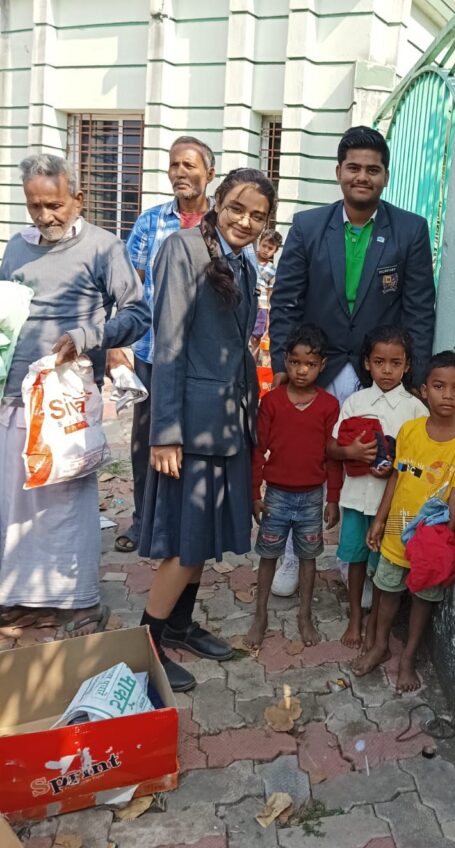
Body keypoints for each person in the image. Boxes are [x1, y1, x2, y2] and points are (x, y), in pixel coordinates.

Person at [268, 126, 436, 597]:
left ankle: (352, 558)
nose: (363, 177)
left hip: (375, 373)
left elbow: (419, 309)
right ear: (339, 171)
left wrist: (416, 377)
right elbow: (285, 300)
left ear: (385, 176)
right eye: (354, 168)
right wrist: (282, 364)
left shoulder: (409, 230)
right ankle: (291, 553)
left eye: (373, 169)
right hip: (315, 366)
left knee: (368, 462)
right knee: (302, 457)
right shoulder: (307, 227)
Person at [0, 154, 150, 636]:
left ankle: (77, 602)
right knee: (16, 502)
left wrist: (88, 336)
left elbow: (137, 313)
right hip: (15, 395)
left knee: (65, 500)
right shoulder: (16, 248)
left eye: (54, 205)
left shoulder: (105, 247)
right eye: (35, 206)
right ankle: (18, 597)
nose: (45, 216)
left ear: (78, 199)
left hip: (68, 398)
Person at [138, 168, 274, 692]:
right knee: (184, 541)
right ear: (218, 201)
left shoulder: (242, 261)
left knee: (203, 535)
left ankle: (179, 626)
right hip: (190, 426)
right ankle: (146, 647)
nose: (246, 221)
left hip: (227, 420)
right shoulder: (182, 248)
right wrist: (165, 432)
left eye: (258, 216)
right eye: (237, 208)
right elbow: (169, 342)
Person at [353, 351, 455, 692]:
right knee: (387, 589)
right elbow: (396, 478)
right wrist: (379, 520)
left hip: (431, 540)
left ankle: (409, 657)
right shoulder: (410, 431)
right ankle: (380, 645)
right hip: (397, 530)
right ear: (424, 391)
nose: (448, 395)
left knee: (424, 598)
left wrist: (443, 538)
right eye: (439, 386)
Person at [115, 136, 217, 554]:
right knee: (147, 443)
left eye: (189, 165)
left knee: (196, 442)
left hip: (206, 361)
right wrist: (118, 343)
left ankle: (187, 524)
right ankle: (144, 522)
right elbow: (129, 287)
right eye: (174, 164)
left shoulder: (225, 224)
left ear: (209, 173)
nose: (179, 172)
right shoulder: (151, 222)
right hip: (152, 355)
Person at [327, 326, 426, 649]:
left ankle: (375, 625)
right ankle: (356, 616)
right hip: (357, 498)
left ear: (407, 366)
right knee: (355, 559)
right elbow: (332, 447)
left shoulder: (416, 410)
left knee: (386, 563)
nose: (387, 370)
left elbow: (420, 461)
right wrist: (351, 452)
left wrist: (395, 467)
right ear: (367, 363)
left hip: (393, 504)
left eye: (395, 363)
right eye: (379, 362)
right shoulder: (355, 402)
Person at [247, 324, 342, 649]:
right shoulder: (272, 402)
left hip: (312, 497)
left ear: (322, 365)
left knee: (308, 556)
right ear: (285, 361)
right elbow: (258, 450)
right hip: (277, 496)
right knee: (268, 555)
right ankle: (260, 615)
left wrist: (333, 498)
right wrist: (254, 493)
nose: (302, 370)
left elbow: (332, 456)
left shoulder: (329, 406)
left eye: (310, 364)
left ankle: (305, 615)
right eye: (296, 362)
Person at [251, 227, 282, 352]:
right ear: (260, 242)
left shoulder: (272, 270)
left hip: (261, 307)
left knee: (256, 338)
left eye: (270, 248)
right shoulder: (248, 259)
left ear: (276, 250)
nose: (266, 250)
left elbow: (270, 295)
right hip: (245, 303)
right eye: (264, 246)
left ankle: (253, 362)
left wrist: (269, 320)